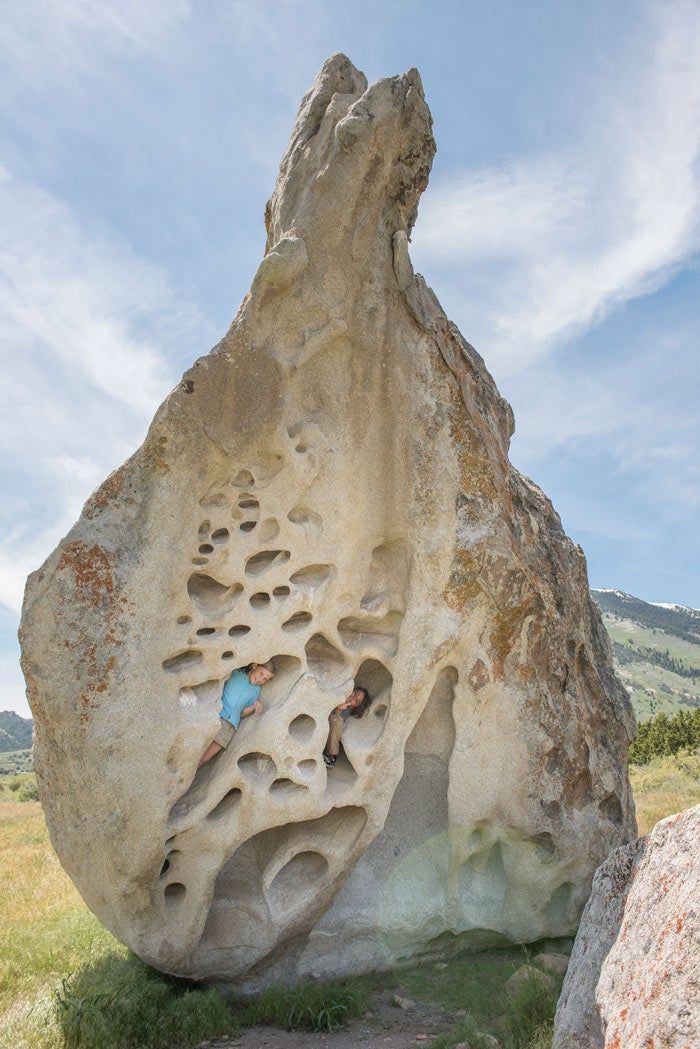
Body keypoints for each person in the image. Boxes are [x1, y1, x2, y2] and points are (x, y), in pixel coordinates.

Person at [198, 661, 275, 767]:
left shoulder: (256, 691)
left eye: (265, 679)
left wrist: (253, 707)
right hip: (215, 716)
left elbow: (242, 713)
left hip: (228, 727)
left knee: (205, 758)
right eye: (261, 673)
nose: (261, 679)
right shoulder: (235, 674)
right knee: (196, 751)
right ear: (254, 666)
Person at [323, 685, 371, 767]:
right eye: (355, 693)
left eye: (356, 701)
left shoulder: (346, 710)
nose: (353, 698)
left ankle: (331, 755)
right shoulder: (340, 691)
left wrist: (339, 709)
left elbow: (333, 721)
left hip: (325, 731)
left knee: (336, 720)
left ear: (355, 706)